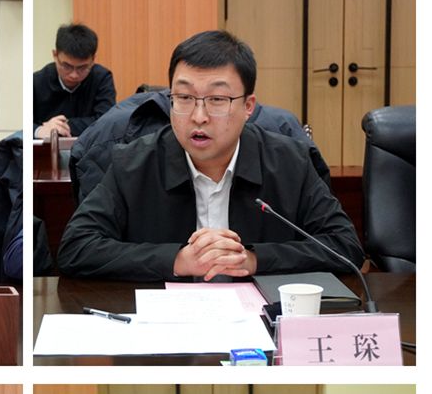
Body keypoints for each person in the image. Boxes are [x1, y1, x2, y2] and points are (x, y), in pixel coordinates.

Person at [55, 28, 365, 281]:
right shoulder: (133, 164)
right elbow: (76, 248)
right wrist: (177, 260)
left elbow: (345, 246)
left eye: (217, 99)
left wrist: (254, 259)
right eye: (184, 97)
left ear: (248, 106)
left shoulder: (289, 162)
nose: (198, 116)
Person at [34, 24, 116, 139]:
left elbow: (106, 121)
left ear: (93, 60)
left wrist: (63, 125)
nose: (74, 75)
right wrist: (39, 130)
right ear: (55, 55)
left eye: (82, 68)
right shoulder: (37, 81)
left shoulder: (102, 78)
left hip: (90, 146)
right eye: (66, 66)